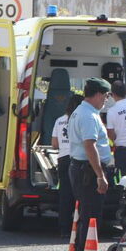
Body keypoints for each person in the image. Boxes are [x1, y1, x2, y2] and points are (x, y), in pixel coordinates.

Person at [68, 78, 114, 251]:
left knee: (88, 215)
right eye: (106, 95)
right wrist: (100, 176)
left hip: (83, 169)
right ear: (98, 94)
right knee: (91, 216)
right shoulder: (88, 115)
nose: (106, 100)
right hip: (88, 171)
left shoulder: (83, 111)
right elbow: (89, 145)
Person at [52, 94, 83, 236]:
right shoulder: (80, 119)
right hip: (77, 158)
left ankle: (64, 227)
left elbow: (54, 144)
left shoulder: (59, 121)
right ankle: (79, 226)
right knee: (80, 194)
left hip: (63, 159)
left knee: (65, 194)